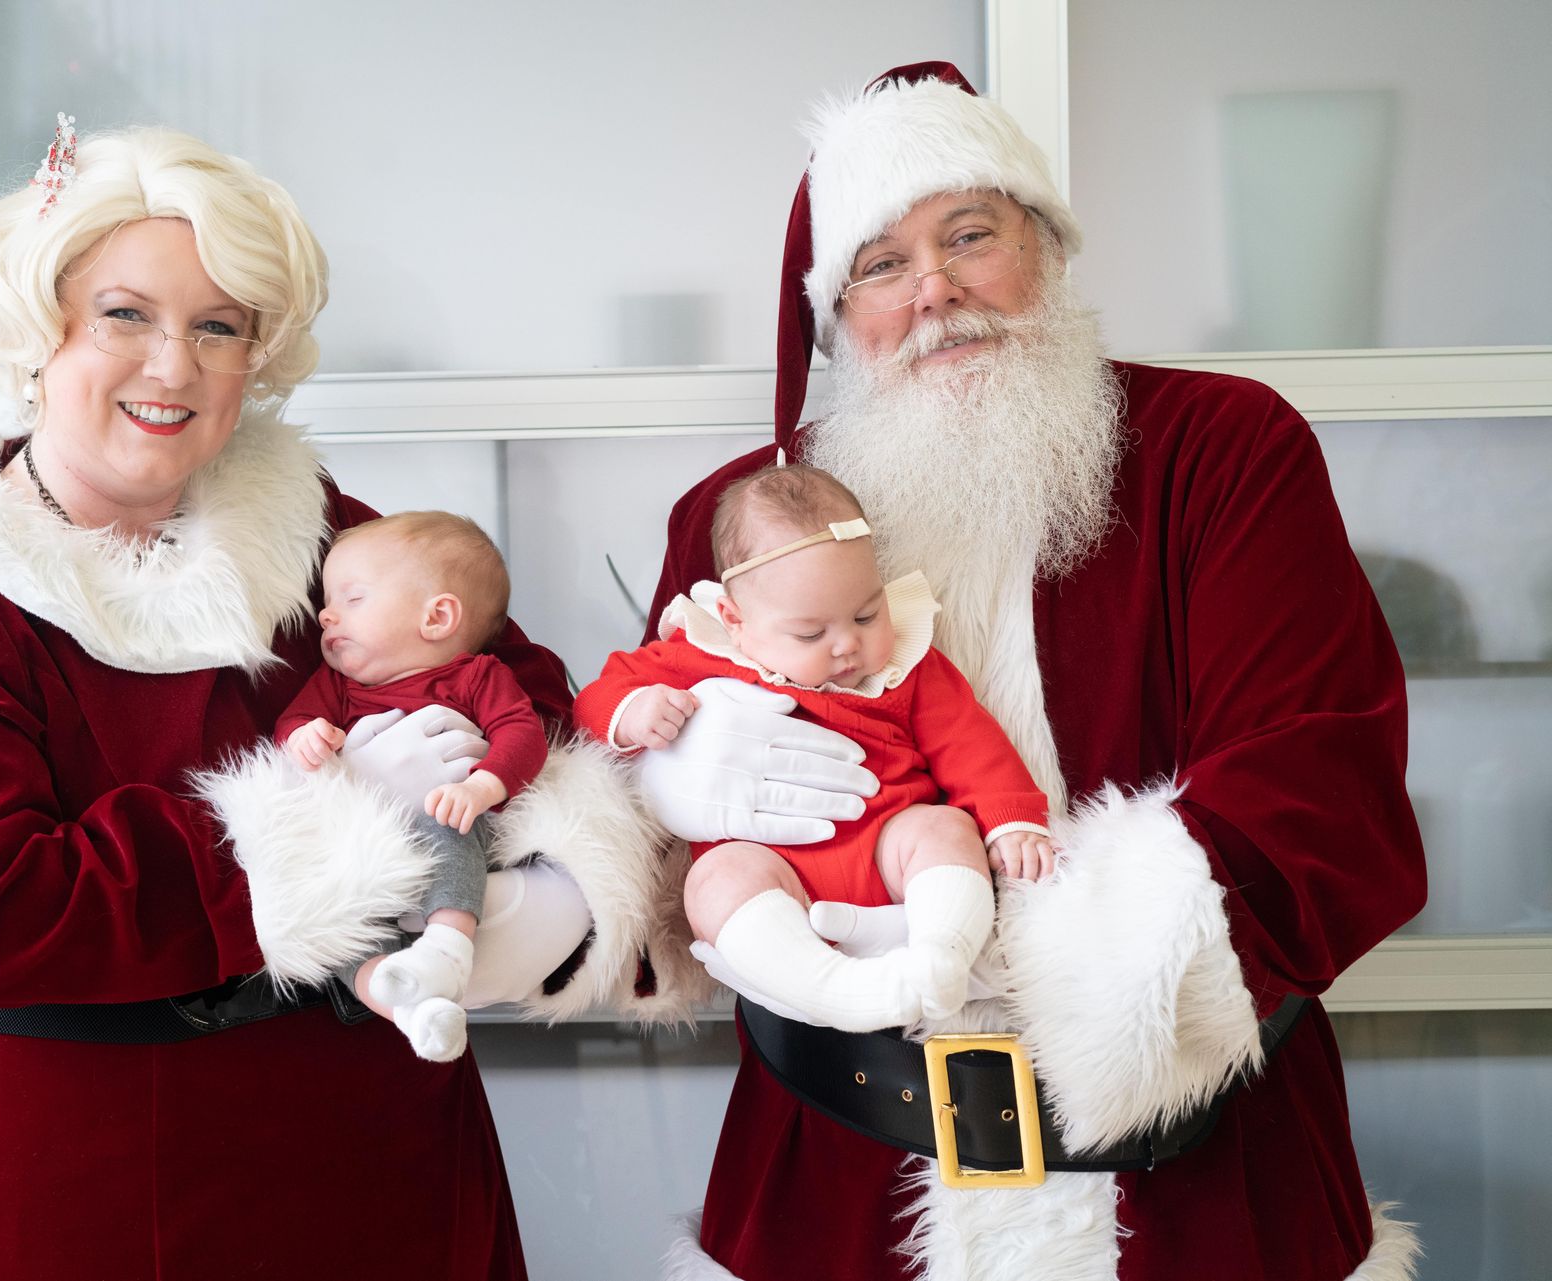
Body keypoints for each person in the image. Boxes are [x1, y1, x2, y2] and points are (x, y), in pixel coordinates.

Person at [0, 118, 675, 1281]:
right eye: (127, 315)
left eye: (218, 329)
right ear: (37, 330)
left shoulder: (304, 523)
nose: (174, 368)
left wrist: (535, 860)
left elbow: (507, 676)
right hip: (54, 1195)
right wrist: (319, 820)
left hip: (364, 1179)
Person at [638, 65, 1426, 1280]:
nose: (937, 291)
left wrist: (1007, 955)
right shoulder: (739, 521)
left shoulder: (1223, 452)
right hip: (845, 1176)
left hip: (1194, 1160)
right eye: (881, 265)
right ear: (836, 317)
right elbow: (657, 875)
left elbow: (1316, 773)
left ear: (1046, 251)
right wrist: (671, 785)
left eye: (969, 236)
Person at [575, 464, 1053, 1034]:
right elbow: (600, 696)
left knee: (944, 829)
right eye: (810, 634)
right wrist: (633, 714)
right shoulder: (701, 648)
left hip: (889, 848)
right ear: (735, 619)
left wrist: (1012, 818)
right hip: (774, 870)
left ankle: (942, 955)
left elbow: (967, 738)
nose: (848, 644)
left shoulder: (905, 665)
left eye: (866, 613)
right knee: (716, 882)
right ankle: (834, 992)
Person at [279, 511, 550, 1062]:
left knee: (445, 821)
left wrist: (480, 788)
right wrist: (304, 737)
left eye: (352, 599)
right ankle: (408, 1007)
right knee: (334, 932)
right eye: (329, 602)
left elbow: (524, 734)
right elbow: (291, 722)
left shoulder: (475, 676)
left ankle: (448, 947)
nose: (325, 614)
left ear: (437, 616)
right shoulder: (335, 684)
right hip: (366, 852)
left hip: (453, 825)